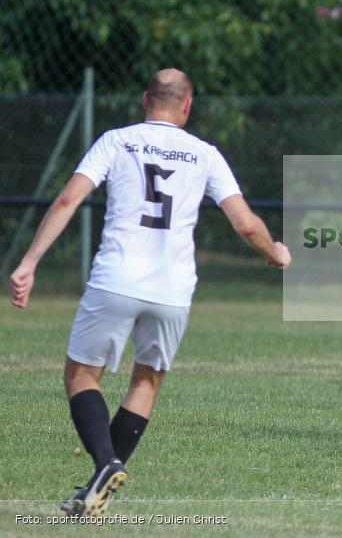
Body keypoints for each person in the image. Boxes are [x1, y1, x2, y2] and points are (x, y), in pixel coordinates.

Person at [8, 68, 291, 516]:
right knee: (146, 381)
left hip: (117, 278)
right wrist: (274, 251)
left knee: (81, 376)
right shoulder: (205, 154)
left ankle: (106, 463)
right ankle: (96, 492)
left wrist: (29, 261)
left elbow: (67, 200)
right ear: (187, 106)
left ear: (145, 100)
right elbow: (245, 223)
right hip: (173, 289)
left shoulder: (117, 141)